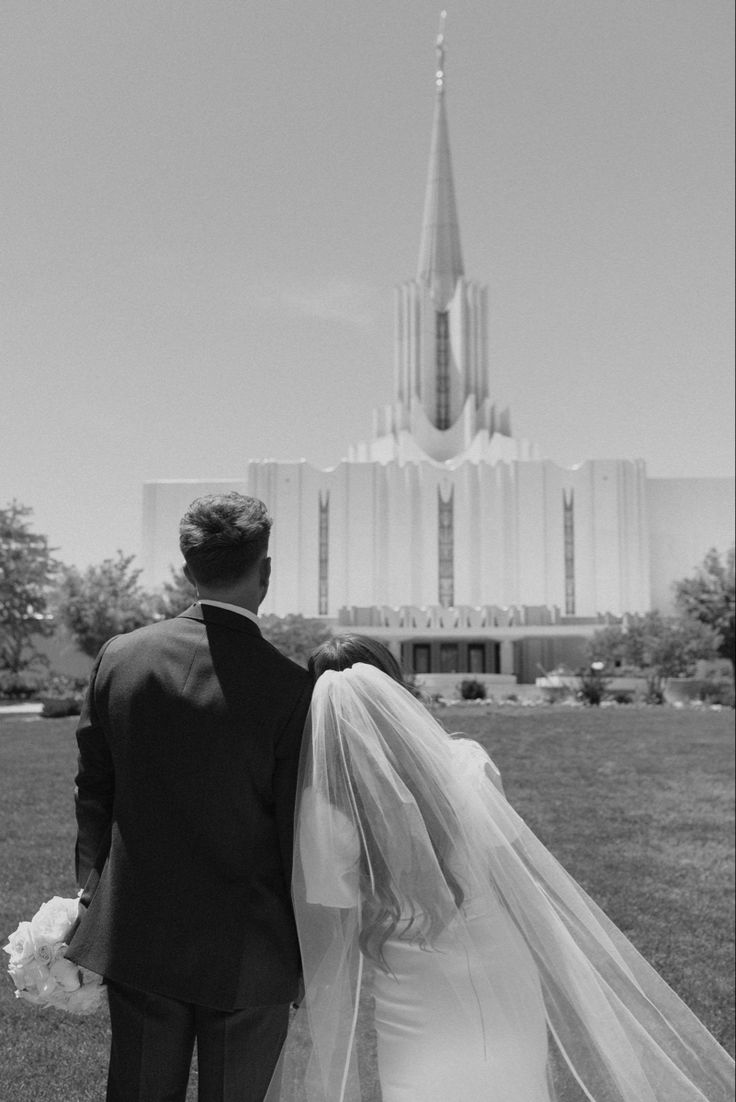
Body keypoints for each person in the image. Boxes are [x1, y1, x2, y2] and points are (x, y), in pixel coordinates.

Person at [266, 635, 735, 1102]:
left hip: (407, 979)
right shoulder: (466, 763)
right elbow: (510, 873)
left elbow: (335, 915)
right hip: (499, 959)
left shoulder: (324, 810)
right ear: (396, 688)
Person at [67, 493, 312, 1102]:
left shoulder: (119, 659)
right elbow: (297, 831)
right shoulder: (290, 688)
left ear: (187, 570)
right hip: (250, 945)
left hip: (140, 928)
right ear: (266, 571)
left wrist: (89, 890)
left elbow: (94, 789)